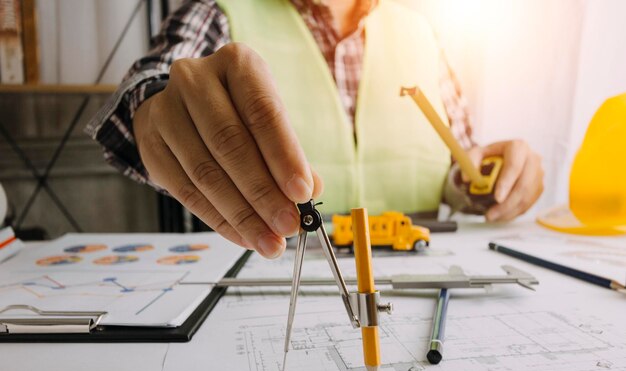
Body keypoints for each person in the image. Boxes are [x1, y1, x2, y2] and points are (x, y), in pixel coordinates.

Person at [87, 0, 544, 259]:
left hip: (423, 271)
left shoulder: (421, 31)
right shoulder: (217, 11)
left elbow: (456, 170)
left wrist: (488, 178)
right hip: (275, 274)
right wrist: (153, 112)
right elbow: (147, 91)